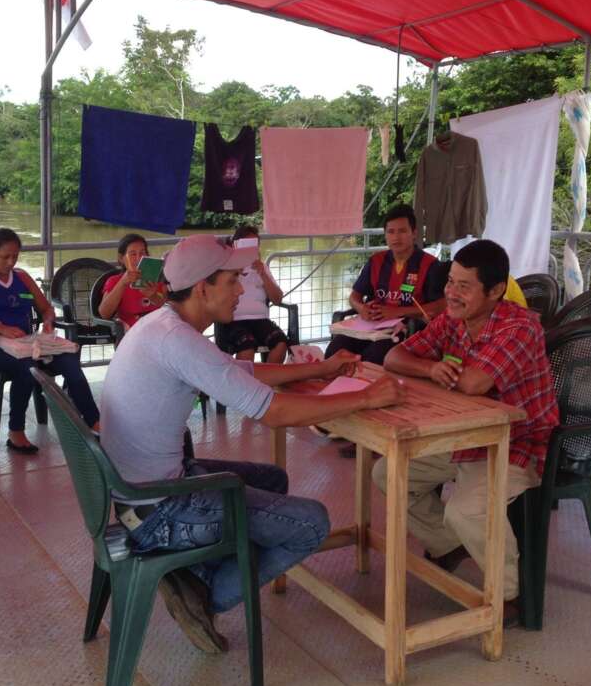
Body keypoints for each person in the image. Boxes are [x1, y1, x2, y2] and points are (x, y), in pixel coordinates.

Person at [101, 234, 411, 653]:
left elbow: (235, 371)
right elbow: (274, 413)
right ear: (202, 288)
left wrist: (319, 368)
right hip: (160, 508)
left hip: (137, 496)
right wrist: (366, 397)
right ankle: (203, 592)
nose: (242, 290)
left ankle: (198, 568)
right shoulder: (178, 340)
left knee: (272, 478)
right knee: (312, 523)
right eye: (233, 280)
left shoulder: (163, 325)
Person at [374, 239, 559, 624]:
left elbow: (475, 383)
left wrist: (442, 371)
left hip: (516, 443)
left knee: (465, 510)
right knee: (387, 473)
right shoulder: (454, 318)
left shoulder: (519, 326)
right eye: (451, 282)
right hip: (464, 434)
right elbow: (394, 356)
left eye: (464, 286)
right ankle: (448, 545)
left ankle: (508, 594)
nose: (451, 294)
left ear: (495, 291)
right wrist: (430, 369)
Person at [0, 228, 100, 453]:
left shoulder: (22, 277)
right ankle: (16, 431)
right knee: (28, 368)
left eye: (15, 256)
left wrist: (48, 322)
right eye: (5, 257)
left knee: (70, 360)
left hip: (28, 342)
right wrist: (0, 328)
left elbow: (45, 308)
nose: (11, 262)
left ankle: (93, 421)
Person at [325, 204, 446, 365]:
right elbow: (355, 296)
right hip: (369, 327)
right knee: (335, 351)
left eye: (402, 231)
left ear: (414, 233)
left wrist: (398, 312)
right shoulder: (377, 261)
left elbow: (442, 305)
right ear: (385, 235)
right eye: (391, 232)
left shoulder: (430, 265)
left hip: (406, 329)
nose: (396, 237)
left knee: (373, 357)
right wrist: (362, 308)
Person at [217, 226, 288, 364]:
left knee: (281, 344)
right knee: (247, 347)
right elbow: (219, 294)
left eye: (254, 244)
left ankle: (268, 382)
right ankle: (243, 384)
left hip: (260, 320)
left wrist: (263, 273)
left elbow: (277, 299)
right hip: (234, 320)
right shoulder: (226, 267)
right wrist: (236, 270)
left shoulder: (262, 268)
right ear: (235, 245)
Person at [97, 233, 167, 330]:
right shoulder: (114, 281)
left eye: (142, 253)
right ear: (122, 258)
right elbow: (104, 314)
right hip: (130, 334)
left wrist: (153, 296)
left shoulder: (158, 279)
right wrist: (122, 283)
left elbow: (170, 310)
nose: (138, 258)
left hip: (158, 330)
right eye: (133, 254)